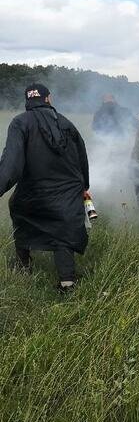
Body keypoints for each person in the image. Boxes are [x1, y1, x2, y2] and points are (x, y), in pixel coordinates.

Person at [0, 84, 90, 291]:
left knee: (19, 211)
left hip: (34, 192)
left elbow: (11, 165)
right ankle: (67, 282)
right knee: (62, 229)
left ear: (27, 102)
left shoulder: (20, 122)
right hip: (68, 193)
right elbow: (82, 159)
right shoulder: (67, 124)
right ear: (48, 99)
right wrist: (84, 187)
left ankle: (24, 266)